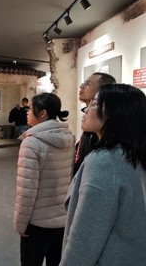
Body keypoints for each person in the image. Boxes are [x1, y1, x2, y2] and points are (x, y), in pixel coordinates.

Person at [60, 84, 146, 265]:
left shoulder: (105, 162)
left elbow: (84, 239)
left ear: (114, 113)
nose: (86, 109)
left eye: (94, 104)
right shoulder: (134, 155)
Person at [14, 93, 74, 266]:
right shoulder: (69, 138)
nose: (27, 112)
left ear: (42, 113)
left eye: (31, 109)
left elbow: (27, 190)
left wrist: (20, 224)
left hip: (37, 223)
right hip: (61, 219)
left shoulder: (31, 143)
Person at [73, 71, 116, 175]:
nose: (81, 86)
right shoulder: (91, 124)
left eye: (87, 83)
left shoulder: (104, 128)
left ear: (104, 90)